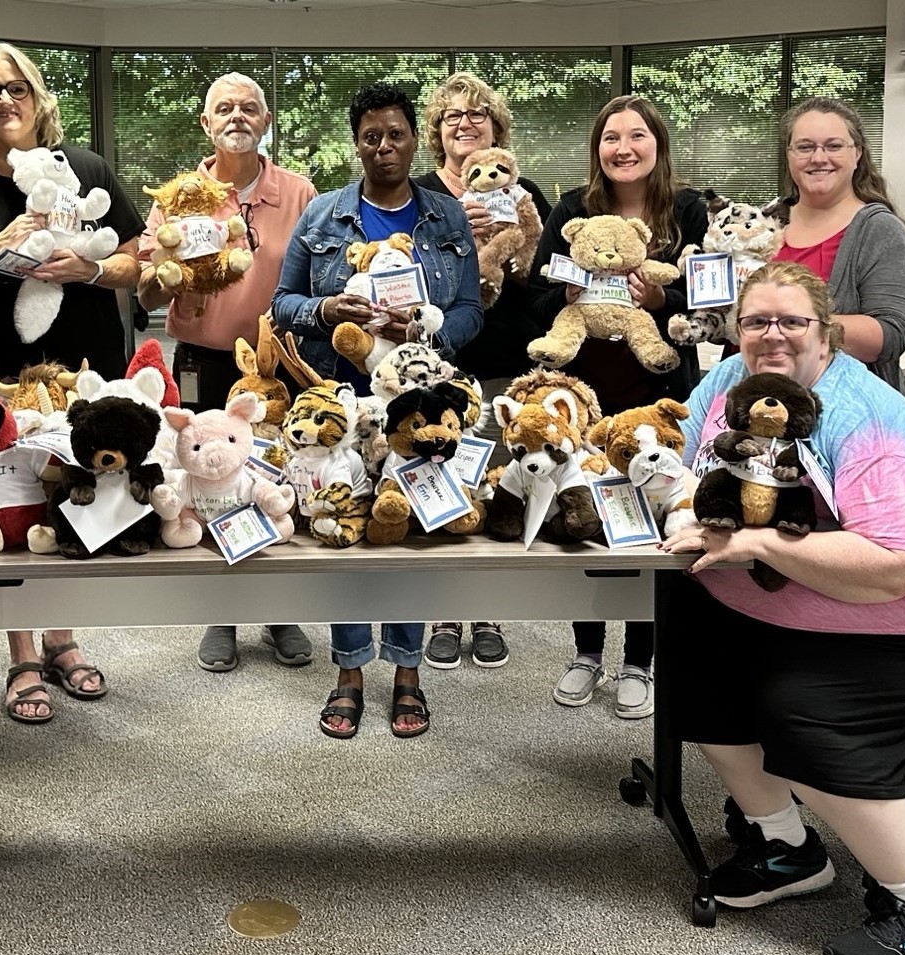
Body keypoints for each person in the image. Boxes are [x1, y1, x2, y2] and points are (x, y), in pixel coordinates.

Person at [660, 261, 905, 955]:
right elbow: (683, 462)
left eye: (792, 322)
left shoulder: (870, 419)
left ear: (827, 335)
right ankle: (789, 848)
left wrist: (756, 542)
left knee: (802, 712)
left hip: (892, 624)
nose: (772, 336)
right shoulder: (725, 384)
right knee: (696, 671)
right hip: (766, 605)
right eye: (757, 321)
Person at [0, 43, 144, 724]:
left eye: (16, 87)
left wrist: (93, 272)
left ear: (37, 95)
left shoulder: (85, 167)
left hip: (81, 367)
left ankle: (63, 638)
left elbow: (135, 258)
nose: (4, 101)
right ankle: (22, 654)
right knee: (7, 504)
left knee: (69, 492)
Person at [272, 82, 483, 739]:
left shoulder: (444, 216)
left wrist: (428, 327)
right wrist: (327, 310)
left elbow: (474, 311)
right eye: (371, 136)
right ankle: (350, 669)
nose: (384, 146)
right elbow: (283, 304)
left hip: (419, 400)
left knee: (409, 525)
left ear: (414, 138)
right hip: (343, 399)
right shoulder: (325, 215)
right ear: (356, 142)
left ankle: (407, 670)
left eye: (396, 134)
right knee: (348, 525)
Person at [526, 94, 706, 720]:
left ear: (658, 144)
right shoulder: (573, 209)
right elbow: (537, 295)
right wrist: (566, 294)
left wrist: (660, 300)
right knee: (587, 515)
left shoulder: (689, 210)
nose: (622, 148)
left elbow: (707, 305)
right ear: (596, 148)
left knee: (656, 524)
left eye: (636, 136)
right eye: (610, 137)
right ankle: (585, 652)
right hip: (586, 395)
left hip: (657, 392)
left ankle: (641, 660)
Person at [137, 71, 318, 675]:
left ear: (266, 122)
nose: (237, 116)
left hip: (277, 367)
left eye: (249, 108)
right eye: (224, 108)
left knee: (274, 479)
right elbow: (142, 287)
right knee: (209, 481)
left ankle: (281, 608)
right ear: (205, 123)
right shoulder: (177, 196)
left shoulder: (300, 193)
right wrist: (158, 277)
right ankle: (222, 613)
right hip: (203, 365)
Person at [415, 70, 553, 673]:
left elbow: (547, 277)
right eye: (453, 117)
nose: (465, 124)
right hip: (434, 359)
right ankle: (444, 607)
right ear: (436, 133)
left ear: (497, 128)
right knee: (438, 473)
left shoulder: (526, 193)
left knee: (499, 480)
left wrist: (512, 242)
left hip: (504, 359)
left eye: (478, 115)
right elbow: (394, 271)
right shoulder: (418, 192)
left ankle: (490, 608)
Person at [760, 96, 905, 392]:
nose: (818, 158)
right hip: (750, 402)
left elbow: (890, 336)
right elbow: (729, 327)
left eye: (833, 146)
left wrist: (789, 324)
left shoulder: (881, 230)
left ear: (857, 153)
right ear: (789, 154)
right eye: (805, 147)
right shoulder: (761, 223)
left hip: (840, 412)